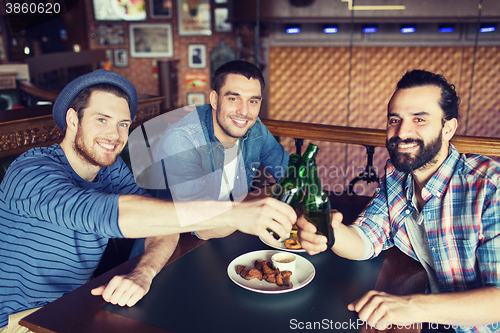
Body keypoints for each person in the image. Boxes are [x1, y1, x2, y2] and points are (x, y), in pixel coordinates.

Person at [0, 69, 296, 332]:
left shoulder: (109, 169)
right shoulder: (31, 171)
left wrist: (144, 272)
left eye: (122, 124)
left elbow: (160, 221)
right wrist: (232, 214)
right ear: (72, 120)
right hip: (18, 319)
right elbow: (111, 214)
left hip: (77, 303)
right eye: (101, 119)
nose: (114, 135)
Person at [298, 70, 500, 333]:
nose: (402, 131)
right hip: (427, 320)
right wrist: (329, 231)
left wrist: (411, 307)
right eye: (395, 119)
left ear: (448, 128)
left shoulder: (490, 187)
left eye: (419, 119)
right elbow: (367, 238)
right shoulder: (396, 175)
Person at [132, 60, 289, 253]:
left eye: (253, 101)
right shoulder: (182, 139)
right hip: (169, 248)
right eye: (233, 98)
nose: (244, 111)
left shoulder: (256, 130)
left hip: (226, 238)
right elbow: (202, 227)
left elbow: (293, 175)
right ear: (215, 100)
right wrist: (260, 204)